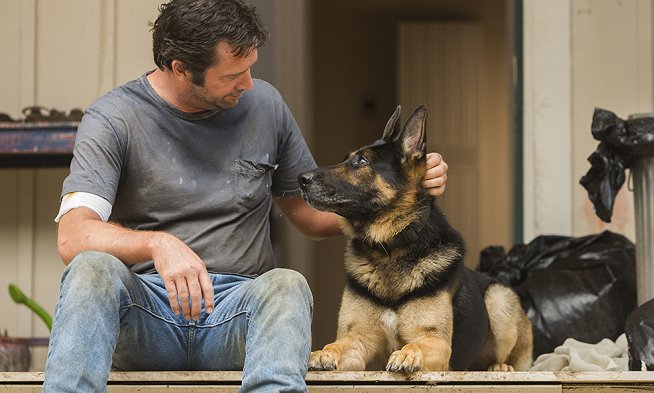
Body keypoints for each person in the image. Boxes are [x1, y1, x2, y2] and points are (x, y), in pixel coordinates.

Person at [42, 0, 449, 392]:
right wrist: (156, 243)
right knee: (89, 270)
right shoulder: (113, 118)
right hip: (149, 314)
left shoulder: (265, 105)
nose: (249, 84)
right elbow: (73, 237)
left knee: (287, 284)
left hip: (237, 315)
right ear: (180, 68)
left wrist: (408, 192)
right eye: (232, 75)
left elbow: (310, 216)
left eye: (250, 68)